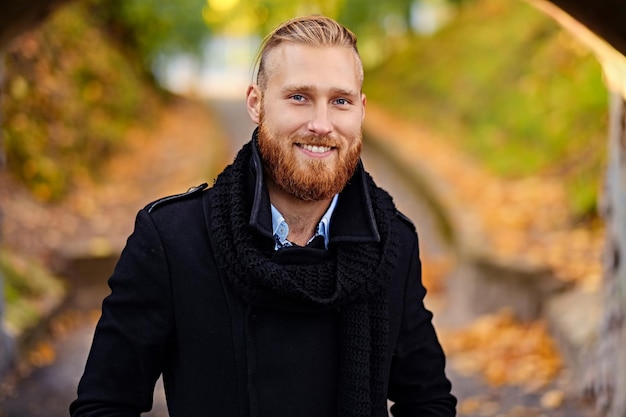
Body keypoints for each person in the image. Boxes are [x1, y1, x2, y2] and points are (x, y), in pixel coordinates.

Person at [70, 15, 457, 417]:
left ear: (360, 110)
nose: (321, 124)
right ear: (256, 103)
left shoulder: (390, 243)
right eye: (299, 97)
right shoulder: (173, 239)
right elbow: (104, 405)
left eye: (339, 101)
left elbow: (427, 401)